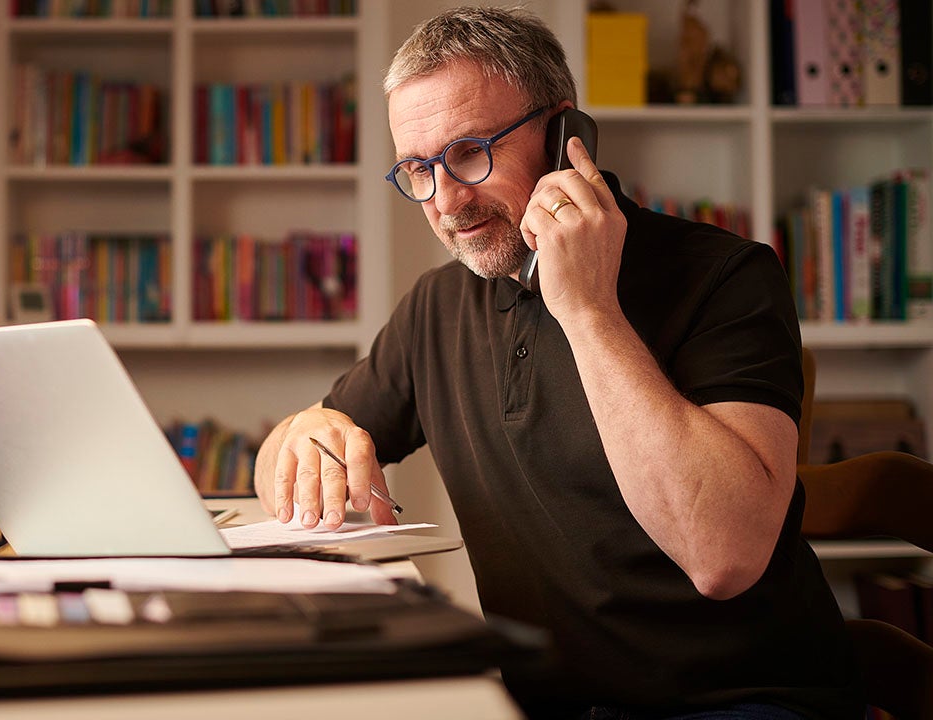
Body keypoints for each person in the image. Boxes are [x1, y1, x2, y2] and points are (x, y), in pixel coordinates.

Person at [254, 6, 860, 719]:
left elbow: (724, 557)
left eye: (470, 151)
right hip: (539, 703)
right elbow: (292, 457)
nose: (446, 201)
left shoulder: (726, 276)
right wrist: (301, 437)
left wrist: (589, 310)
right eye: (419, 169)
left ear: (567, 135)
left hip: (740, 701)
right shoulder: (437, 308)